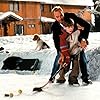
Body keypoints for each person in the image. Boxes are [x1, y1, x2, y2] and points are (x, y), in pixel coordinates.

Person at [49, 6, 92, 85]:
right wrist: (60, 53)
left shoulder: (71, 17)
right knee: (58, 60)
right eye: (57, 17)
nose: (60, 18)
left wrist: (83, 39)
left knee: (82, 59)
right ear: (54, 17)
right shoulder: (55, 26)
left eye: (61, 15)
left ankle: (85, 79)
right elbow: (56, 42)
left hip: (75, 44)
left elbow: (87, 26)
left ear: (63, 13)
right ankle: (52, 77)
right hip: (64, 47)